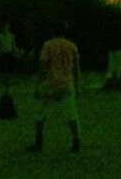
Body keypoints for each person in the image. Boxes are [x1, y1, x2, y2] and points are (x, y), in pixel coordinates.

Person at [29, 25, 82, 154]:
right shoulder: (72, 46)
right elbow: (76, 68)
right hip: (66, 84)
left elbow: (43, 66)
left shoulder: (48, 45)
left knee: (40, 114)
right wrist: (78, 85)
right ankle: (76, 142)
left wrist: (37, 85)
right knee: (71, 115)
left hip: (50, 83)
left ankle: (38, 142)